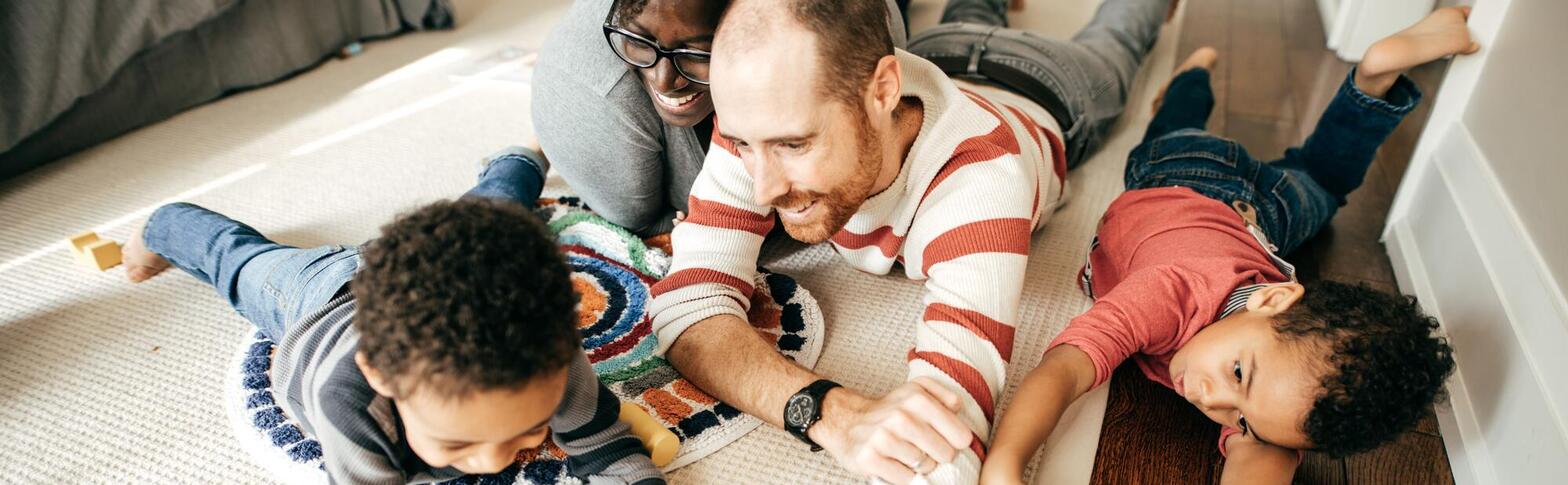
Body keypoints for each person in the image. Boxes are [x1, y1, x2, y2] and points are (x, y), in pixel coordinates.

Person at [645, 0, 1169, 482]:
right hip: (937, 52)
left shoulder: (984, 178)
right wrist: (831, 412)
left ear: (883, 91)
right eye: (741, 145)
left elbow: (946, 444)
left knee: (1119, 39)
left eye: (794, 144)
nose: (764, 189)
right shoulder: (765, 105)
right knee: (970, 8)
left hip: (1046, 82)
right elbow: (685, 306)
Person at [981, 7, 1478, 484]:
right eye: (1237, 374)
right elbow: (1064, 370)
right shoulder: (1167, 294)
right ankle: (1191, 75)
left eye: (1241, 421)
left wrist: (1255, 435)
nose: (1212, 402)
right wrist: (1006, 464)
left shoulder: (1276, 384)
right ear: (1271, 297)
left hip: (1261, 221)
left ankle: (1372, 83)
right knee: (1171, 125)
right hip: (1182, 171)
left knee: (1323, 181)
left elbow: (1264, 451)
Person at [121, 149, 664, 484]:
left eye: (530, 431)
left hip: (437, 274)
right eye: (455, 444)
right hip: (318, 294)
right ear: (381, 375)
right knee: (236, 260)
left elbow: (605, 445)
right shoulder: (349, 405)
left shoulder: (555, 359)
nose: (493, 463)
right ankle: (164, 224)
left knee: (493, 212)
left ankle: (517, 162)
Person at [531, 0, 906, 236]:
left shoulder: (864, 32)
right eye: (742, 143)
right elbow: (670, 236)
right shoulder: (593, 95)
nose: (664, 81)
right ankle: (523, 158)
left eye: (699, 52)